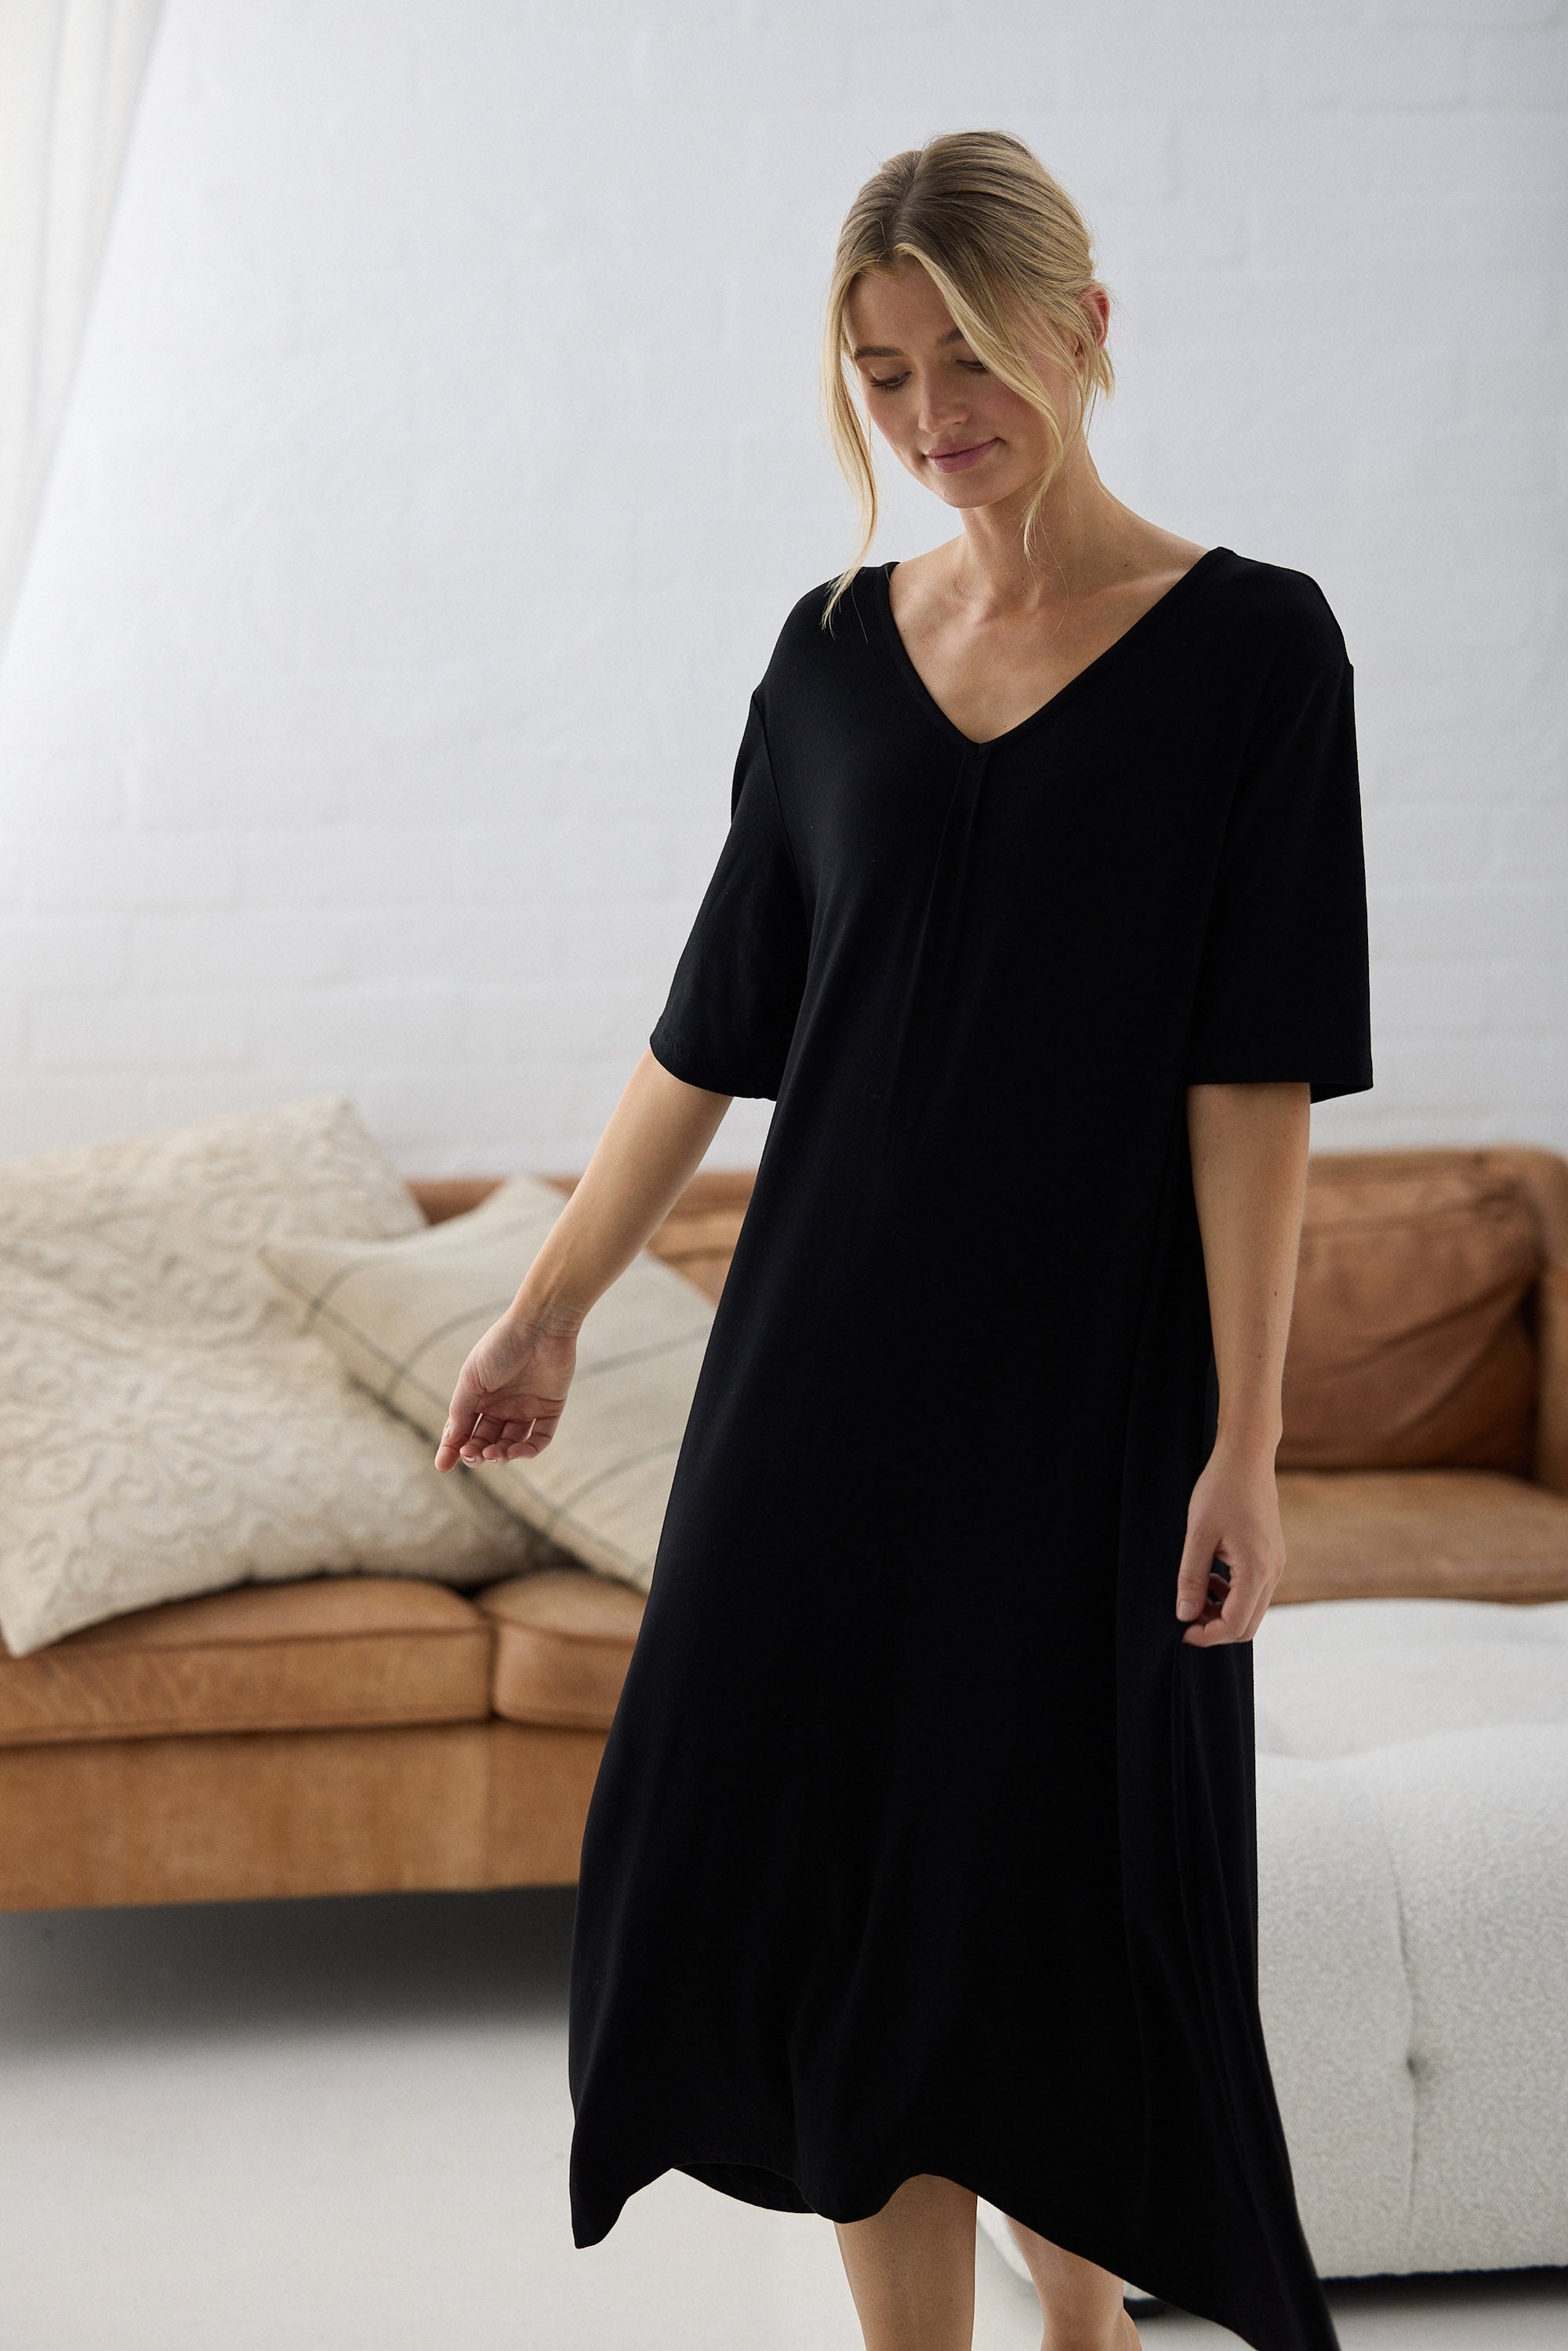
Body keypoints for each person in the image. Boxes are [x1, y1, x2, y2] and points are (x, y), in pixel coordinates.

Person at [436, 130, 1370, 2351]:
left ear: (1087, 331)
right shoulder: (836, 650)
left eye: (969, 361)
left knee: (1049, 1899)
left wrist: (1248, 1442)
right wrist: (553, 1302)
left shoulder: (1254, 653)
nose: (935, 419)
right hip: (821, 1393)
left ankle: (1090, 2315)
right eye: (882, 377)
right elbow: (709, 1034)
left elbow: (1248, 1086)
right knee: (848, 1904)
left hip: (1089, 1406)